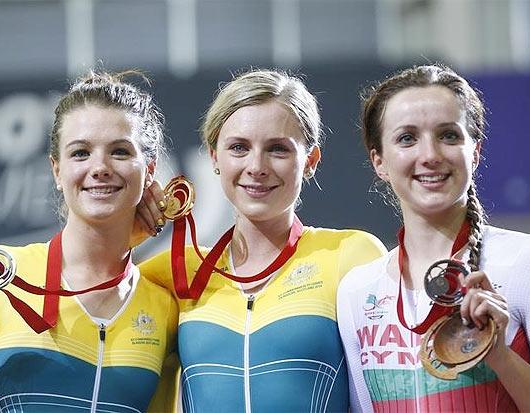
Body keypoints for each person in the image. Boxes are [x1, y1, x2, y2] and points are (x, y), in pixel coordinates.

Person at [0, 71, 178, 412]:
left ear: (150, 171)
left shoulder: (164, 306)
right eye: (81, 153)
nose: (99, 167)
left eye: (120, 151)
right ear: (57, 171)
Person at [337, 64, 530, 412]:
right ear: (379, 161)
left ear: (476, 151)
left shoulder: (528, 262)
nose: (431, 155)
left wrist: (500, 356)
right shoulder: (357, 290)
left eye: (449, 135)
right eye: (407, 138)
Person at [137, 69, 387, 412]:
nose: (257, 166)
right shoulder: (173, 273)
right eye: (239, 147)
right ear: (214, 157)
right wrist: (126, 232)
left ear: (310, 161)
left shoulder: (350, 256)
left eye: (278, 149)